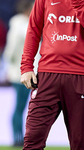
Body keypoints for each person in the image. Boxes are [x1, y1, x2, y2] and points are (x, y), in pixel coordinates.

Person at [20, 0, 84, 149]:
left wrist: (78, 2)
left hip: (82, 75)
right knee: (32, 139)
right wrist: (26, 67)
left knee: (81, 144)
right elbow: (33, 29)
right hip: (47, 75)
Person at [3, 0, 36, 146]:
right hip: (20, 74)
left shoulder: (27, 23)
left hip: (29, 71)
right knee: (20, 106)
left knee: (25, 107)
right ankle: (17, 138)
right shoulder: (18, 24)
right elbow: (11, 49)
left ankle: (23, 137)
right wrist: (10, 67)